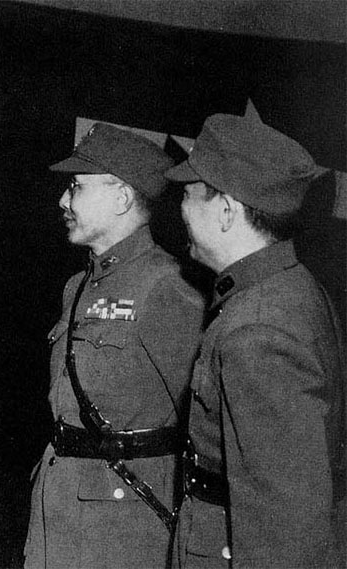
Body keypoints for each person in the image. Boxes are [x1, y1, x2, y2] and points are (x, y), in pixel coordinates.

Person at [164, 103, 345, 568]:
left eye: (189, 195)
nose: (180, 209)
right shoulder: (290, 288)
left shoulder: (258, 329)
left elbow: (285, 526)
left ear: (226, 211)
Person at [24, 123, 206, 569]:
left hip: (121, 527)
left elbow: (202, 425)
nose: (63, 200)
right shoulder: (77, 286)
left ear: (122, 197)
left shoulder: (167, 289)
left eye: (76, 187)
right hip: (57, 506)